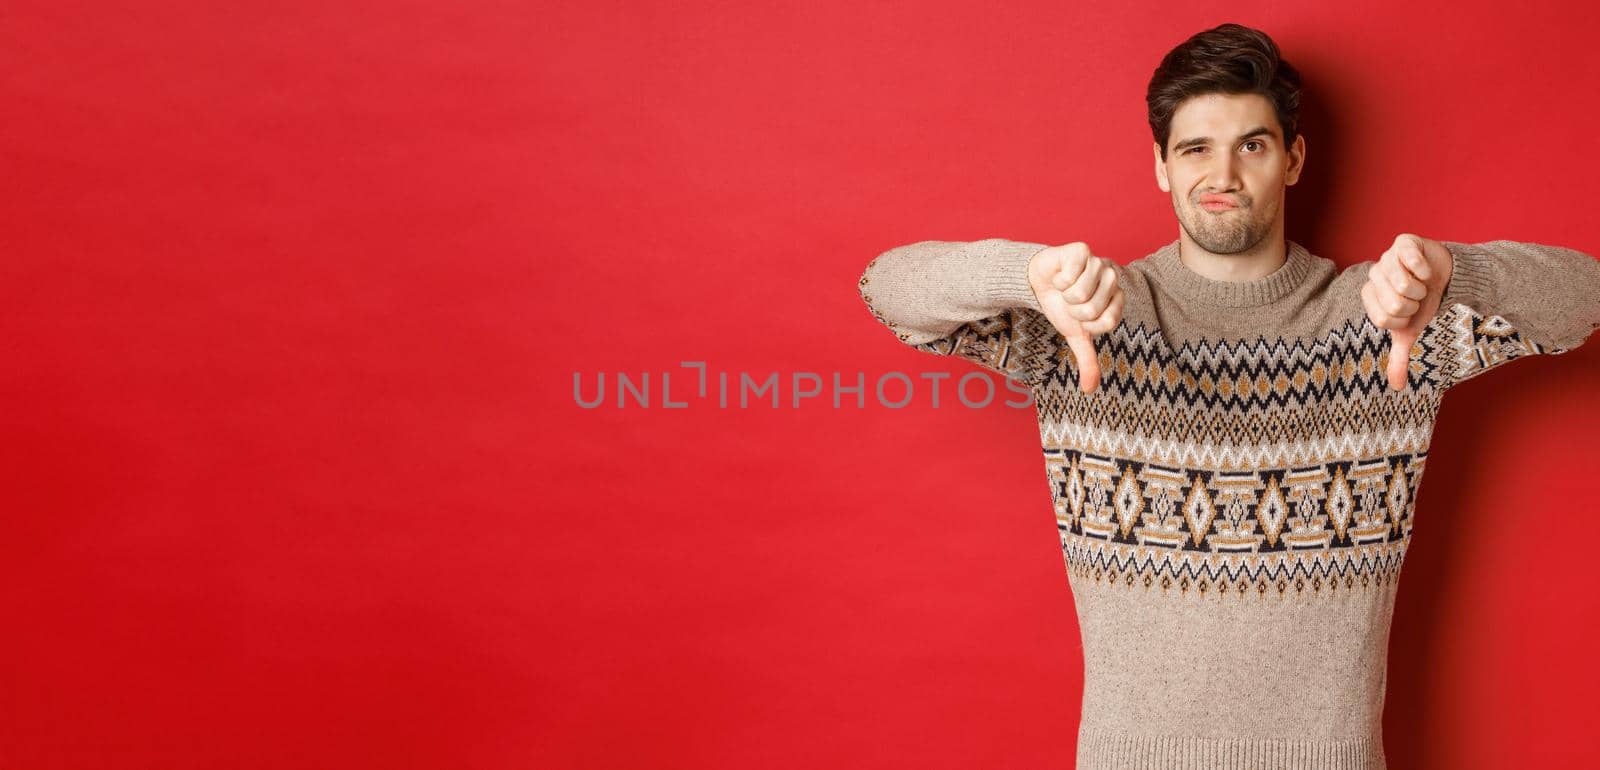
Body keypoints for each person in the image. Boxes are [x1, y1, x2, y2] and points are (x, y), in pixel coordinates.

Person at [856, 21, 1600, 769]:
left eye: (1252, 144)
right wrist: (1022, 277)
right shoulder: (1086, 316)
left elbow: (1584, 300)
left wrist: (1459, 273)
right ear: (1160, 167)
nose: (1224, 174)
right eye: (1195, 148)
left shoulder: (1384, 317)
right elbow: (887, 289)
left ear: (1293, 159)